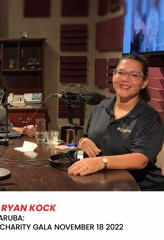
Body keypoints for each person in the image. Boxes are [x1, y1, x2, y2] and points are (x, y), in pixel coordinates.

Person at [68, 53, 164, 191]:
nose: (125, 79)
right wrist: (83, 142)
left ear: (144, 83)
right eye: (121, 72)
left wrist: (101, 162)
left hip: (142, 189)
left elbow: (140, 159)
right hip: (105, 184)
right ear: (113, 75)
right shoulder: (100, 108)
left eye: (134, 75)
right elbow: (89, 136)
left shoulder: (149, 117)